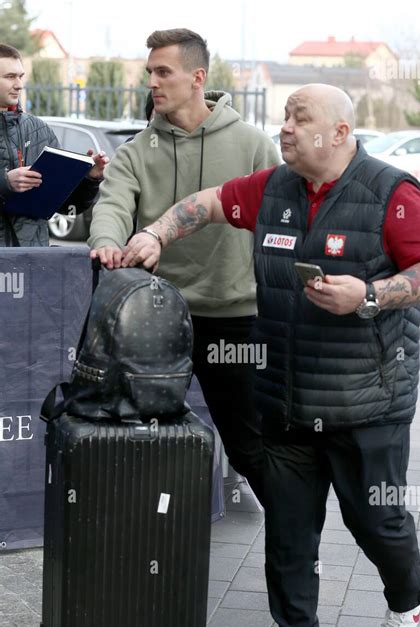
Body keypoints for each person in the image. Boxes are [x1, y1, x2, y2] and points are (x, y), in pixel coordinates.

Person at [96, 83, 420, 627]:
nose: (285, 127)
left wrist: (368, 295)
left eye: (300, 117)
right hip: (284, 397)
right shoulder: (274, 189)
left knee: (378, 523)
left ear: (339, 133)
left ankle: (407, 594)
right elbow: (206, 204)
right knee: (289, 528)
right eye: (284, 116)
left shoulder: (390, 192)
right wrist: (157, 233)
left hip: (366, 402)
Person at [89, 29, 280, 504]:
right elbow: (111, 204)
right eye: (149, 72)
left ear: (197, 78)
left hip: (236, 321)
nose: (152, 81)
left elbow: (281, 224)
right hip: (157, 319)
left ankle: (295, 542)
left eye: (163, 72)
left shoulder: (253, 145)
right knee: (137, 435)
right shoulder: (136, 150)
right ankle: (145, 535)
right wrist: (108, 242)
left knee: (249, 446)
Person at [0, 43, 108, 247]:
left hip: (32, 263)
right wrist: (5, 183)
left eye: (20, 76)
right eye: (9, 76)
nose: (19, 84)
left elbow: (66, 207)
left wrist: (88, 179)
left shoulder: (39, 130)